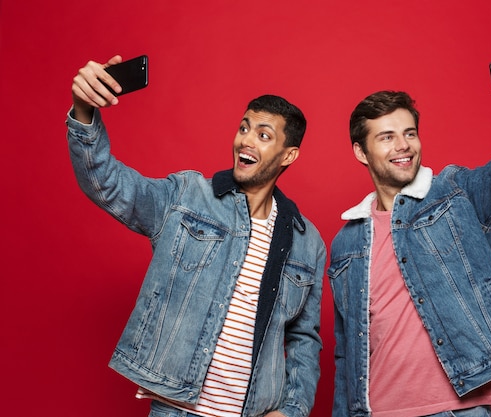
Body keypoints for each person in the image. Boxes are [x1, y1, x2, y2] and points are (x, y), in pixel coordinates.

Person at [67, 55, 326, 417]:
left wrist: (292, 410)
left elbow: (304, 339)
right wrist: (84, 111)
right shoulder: (187, 196)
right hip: (177, 409)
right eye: (244, 128)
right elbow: (107, 183)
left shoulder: (307, 241)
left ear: (289, 155)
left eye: (263, 135)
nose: (246, 141)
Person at [327, 53, 491, 417]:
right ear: (360, 152)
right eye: (387, 137)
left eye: (409, 133)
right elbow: (347, 349)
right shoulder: (346, 243)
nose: (403, 146)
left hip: (458, 410)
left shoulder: (457, 195)